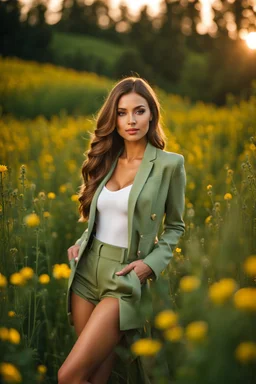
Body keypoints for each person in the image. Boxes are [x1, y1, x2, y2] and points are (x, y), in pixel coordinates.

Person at [58, 76, 186, 384]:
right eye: (122, 112)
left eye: (139, 111)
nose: (131, 120)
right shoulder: (106, 159)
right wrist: (80, 242)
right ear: (113, 118)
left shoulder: (169, 165)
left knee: (68, 376)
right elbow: (103, 215)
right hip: (86, 270)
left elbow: (176, 226)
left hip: (124, 276)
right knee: (96, 375)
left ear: (152, 114)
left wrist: (149, 266)